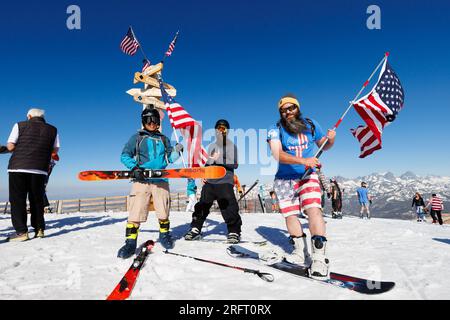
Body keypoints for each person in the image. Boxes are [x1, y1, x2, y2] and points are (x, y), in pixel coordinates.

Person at [267, 94, 336, 280]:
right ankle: (299, 252)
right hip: (284, 179)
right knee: (290, 215)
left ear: (298, 108)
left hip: (308, 176)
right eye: (284, 110)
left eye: (292, 108)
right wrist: (303, 160)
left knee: (314, 210)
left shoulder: (311, 124)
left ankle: (319, 258)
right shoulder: (275, 129)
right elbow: (277, 154)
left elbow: (324, 146)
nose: (288, 112)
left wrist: (330, 140)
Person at [118, 108, 183, 258]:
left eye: (155, 120)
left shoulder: (164, 139)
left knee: (163, 210)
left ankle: (164, 235)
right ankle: (130, 242)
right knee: (136, 211)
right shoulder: (137, 138)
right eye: (148, 120)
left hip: (160, 179)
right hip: (142, 180)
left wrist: (177, 151)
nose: (152, 123)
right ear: (143, 122)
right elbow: (125, 155)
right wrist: (134, 167)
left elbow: (169, 159)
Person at [5, 108, 59, 241]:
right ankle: (39, 229)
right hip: (40, 168)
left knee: (18, 200)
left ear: (29, 116)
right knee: (37, 199)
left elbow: (10, 147)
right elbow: (55, 149)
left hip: (19, 168)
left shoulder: (19, 125)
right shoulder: (53, 129)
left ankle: (22, 232)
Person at [184, 119, 242, 244]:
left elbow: (234, 164)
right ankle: (195, 228)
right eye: (218, 128)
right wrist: (204, 173)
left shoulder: (231, 146)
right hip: (210, 181)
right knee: (202, 205)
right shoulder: (212, 146)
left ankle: (234, 231)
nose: (221, 131)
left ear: (227, 131)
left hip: (225, 181)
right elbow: (209, 163)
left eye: (223, 128)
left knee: (229, 207)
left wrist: (219, 158)